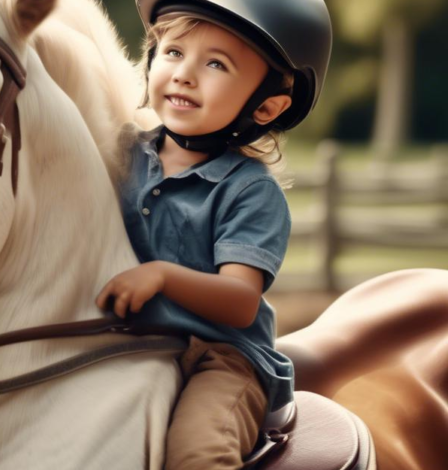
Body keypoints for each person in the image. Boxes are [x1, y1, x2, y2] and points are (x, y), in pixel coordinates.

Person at [95, 0, 332, 468]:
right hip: (126, 339)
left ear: (266, 107)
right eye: (173, 52)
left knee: (196, 453)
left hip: (220, 356)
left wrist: (161, 275)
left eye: (216, 64)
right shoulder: (116, 154)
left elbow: (240, 302)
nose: (184, 74)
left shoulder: (250, 191)